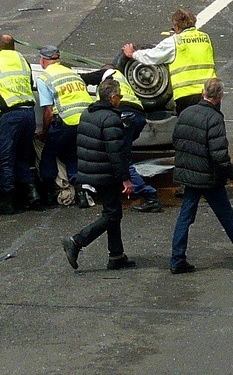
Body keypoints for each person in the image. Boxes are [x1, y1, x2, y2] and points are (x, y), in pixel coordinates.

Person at [170, 78, 233, 273]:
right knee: (227, 217)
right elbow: (219, 156)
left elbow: (176, 140)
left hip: (189, 175)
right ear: (220, 97)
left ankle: (177, 259)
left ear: (203, 93)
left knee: (185, 217)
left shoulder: (186, 113)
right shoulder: (214, 118)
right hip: (209, 177)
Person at [60, 79, 135, 272]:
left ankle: (116, 255)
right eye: (119, 97)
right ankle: (76, 241)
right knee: (112, 214)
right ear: (113, 98)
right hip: (105, 173)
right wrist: (125, 179)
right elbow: (116, 152)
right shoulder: (111, 119)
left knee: (112, 211)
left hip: (89, 171)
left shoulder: (88, 113)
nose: (120, 100)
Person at [0, 34, 39, 215]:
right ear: (13, 47)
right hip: (28, 114)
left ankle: (7, 200)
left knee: (4, 157)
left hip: (10, 117)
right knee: (22, 156)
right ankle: (32, 193)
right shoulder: (23, 61)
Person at [122, 7, 216, 114]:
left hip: (187, 94)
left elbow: (153, 56)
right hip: (210, 92)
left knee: (190, 123)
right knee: (212, 120)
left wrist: (133, 54)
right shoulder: (205, 38)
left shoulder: (174, 41)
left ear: (177, 26)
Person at [101, 65, 163, 213]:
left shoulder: (107, 76)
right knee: (122, 154)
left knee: (122, 159)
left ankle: (150, 196)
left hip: (125, 115)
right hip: (138, 116)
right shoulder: (121, 78)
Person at [36, 45, 91, 208]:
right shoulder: (72, 73)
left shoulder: (45, 77)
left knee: (48, 155)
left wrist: (44, 132)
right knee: (73, 156)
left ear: (43, 60)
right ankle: (81, 195)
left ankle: (48, 194)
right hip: (84, 122)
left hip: (65, 122)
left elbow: (48, 111)